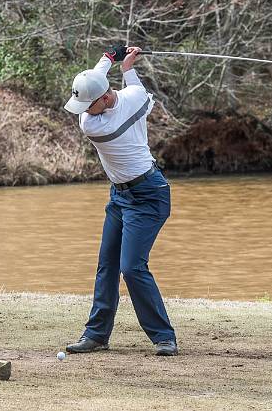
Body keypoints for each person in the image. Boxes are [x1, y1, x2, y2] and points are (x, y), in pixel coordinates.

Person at [62, 45, 177, 356]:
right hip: (120, 195)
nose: (83, 112)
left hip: (149, 195)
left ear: (105, 98)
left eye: (88, 104)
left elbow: (103, 80)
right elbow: (114, 80)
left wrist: (113, 60)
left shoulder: (100, 125)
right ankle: (96, 335)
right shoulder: (128, 100)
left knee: (132, 266)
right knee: (107, 264)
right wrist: (120, 62)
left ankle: (164, 336)